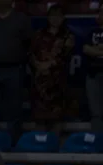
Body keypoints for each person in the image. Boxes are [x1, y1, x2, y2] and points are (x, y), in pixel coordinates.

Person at [0, 0, 32, 142]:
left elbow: (28, 43)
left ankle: (13, 142)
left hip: (14, 69)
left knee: (15, 109)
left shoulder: (21, 19)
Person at [30, 5, 74, 137]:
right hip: (39, 83)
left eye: (58, 16)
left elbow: (66, 56)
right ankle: (39, 148)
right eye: (52, 16)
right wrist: (38, 65)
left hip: (57, 83)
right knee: (39, 119)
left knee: (57, 119)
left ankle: (54, 146)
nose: (55, 19)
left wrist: (49, 65)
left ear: (63, 18)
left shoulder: (67, 36)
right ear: (48, 18)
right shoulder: (38, 34)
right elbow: (30, 53)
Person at [83, 7, 103, 133]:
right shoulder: (91, 32)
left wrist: (96, 49)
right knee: (96, 113)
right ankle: (98, 146)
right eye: (101, 11)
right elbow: (86, 49)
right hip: (93, 75)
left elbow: (91, 50)